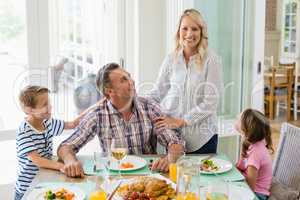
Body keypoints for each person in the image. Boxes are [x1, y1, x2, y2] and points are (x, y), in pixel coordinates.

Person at [57, 63, 184, 178]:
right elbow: (66, 146)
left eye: (129, 77)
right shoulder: (98, 115)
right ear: (109, 91)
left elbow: (175, 142)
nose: (132, 81)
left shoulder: (149, 107)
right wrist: (70, 161)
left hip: (148, 177)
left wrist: (170, 158)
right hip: (114, 178)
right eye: (124, 80)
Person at [147, 8, 223, 153]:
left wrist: (181, 121)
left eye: (194, 29)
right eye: (185, 29)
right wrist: (135, 102)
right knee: (173, 175)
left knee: (201, 175)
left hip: (202, 138)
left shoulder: (212, 60)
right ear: (178, 32)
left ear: (201, 32)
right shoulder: (171, 59)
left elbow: (210, 102)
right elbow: (157, 92)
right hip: (173, 137)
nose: (189, 34)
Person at [15, 86, 88, 200]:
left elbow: (72, 124)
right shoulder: (24, 131)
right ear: (30, 110)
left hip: (42, 181)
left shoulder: (48, 122)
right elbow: (37, 160)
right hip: (27, 188)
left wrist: (94, 108)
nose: (50, 107)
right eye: (45, 105)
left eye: (49, 103)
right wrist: (62, 166)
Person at [235, 109, 273, 200]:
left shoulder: (256, 153)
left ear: (246, 130)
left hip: (257, 194)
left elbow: (250, 187)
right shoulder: (251, 143)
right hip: (250, 188)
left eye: (238, 119)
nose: (236, 119)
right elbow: (239, 167)